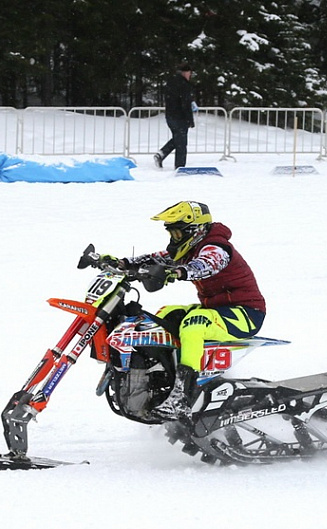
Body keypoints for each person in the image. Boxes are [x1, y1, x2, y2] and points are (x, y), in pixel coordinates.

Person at [112, 201, 266, 420]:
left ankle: (181, 397)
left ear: (194, 231)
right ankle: (159, 378)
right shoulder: (189, 249)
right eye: (171, 234)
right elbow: (158, 258)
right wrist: (122, 263)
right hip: (217, 310)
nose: (174, 239)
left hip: (246, 313)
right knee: (165, 314)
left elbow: (206, 264)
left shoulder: (216, 247)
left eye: (176, 234)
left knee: (194, 325)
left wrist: (180, 272)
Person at [153, 62, 196, 169]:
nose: (190, 75)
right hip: (180, 117)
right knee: (181, 143)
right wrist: (190, 120)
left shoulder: (171, 82)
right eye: (189, 73)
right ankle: (180, 167)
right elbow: (185, 104)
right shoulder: (184, 85)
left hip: (170, 116)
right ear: (185, 72)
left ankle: (161, 154)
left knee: (178, 139)